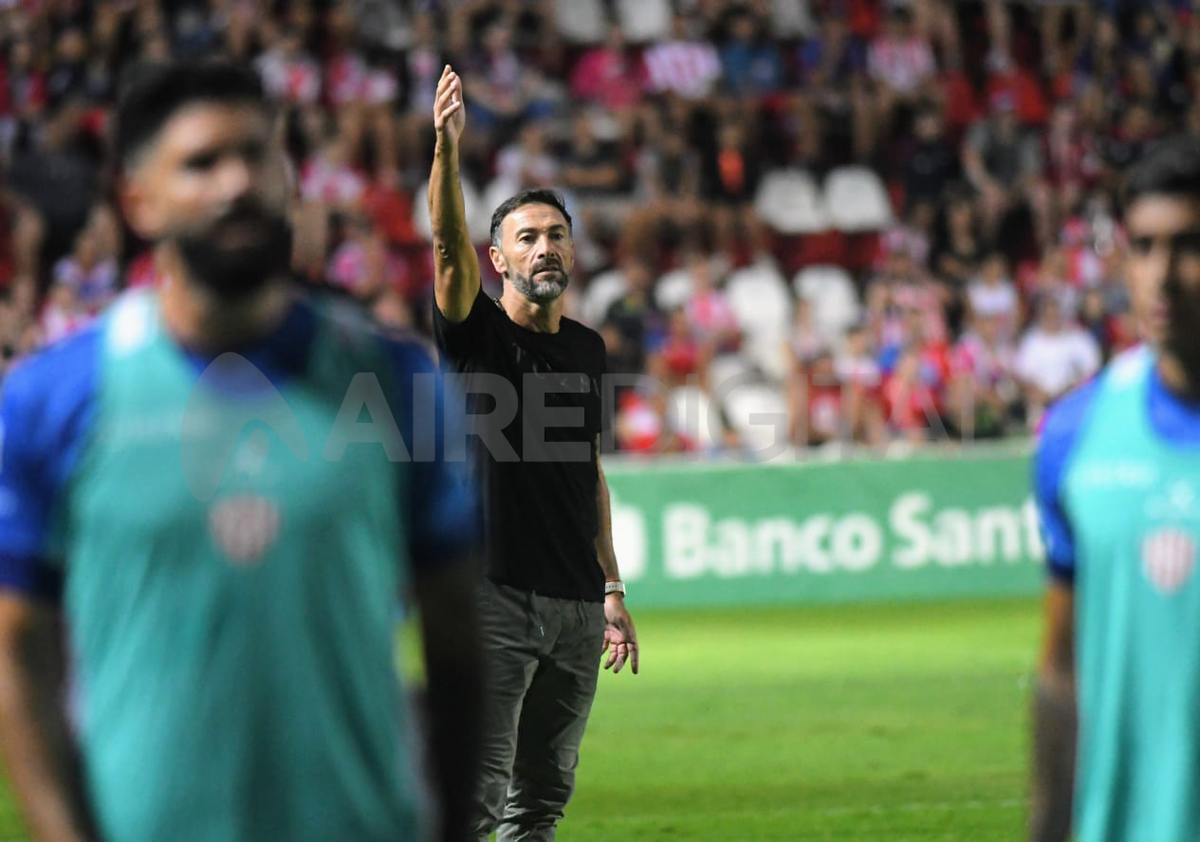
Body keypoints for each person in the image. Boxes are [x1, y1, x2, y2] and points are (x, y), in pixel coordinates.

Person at [0, 60, 482, 842]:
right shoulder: (52, 400)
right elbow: (16, 662)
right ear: (138, 201)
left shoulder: (398, 382)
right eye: (201, 163)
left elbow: (462, 645)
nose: (238, 183)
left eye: (258, 156)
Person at [427, 65, 639, 841]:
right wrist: (447, 153)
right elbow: (446, 244)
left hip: (579, 608)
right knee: (476, 801)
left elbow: (588, 474)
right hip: (494, 598)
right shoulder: (475, 332)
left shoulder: (587, 347)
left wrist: (611, 588)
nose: (545, 248)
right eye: (528, 238)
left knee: (541, 804)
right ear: (498, 258)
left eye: (557, 235)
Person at [1031, 135, 1200, 842]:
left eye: (1189, 245)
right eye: (1144, 246)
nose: (1163, 275)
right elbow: (1060, 671)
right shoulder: (1075, 433)